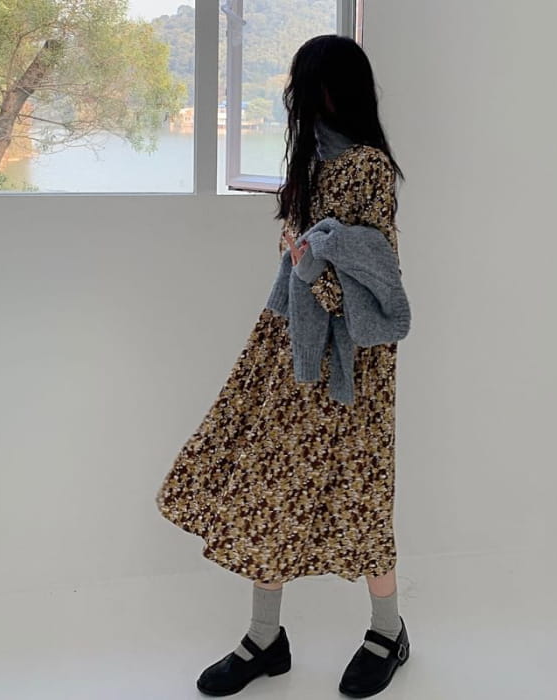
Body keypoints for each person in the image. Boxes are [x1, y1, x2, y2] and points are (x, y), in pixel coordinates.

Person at [155, 34, 410, 698]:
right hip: (289, 345)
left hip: (354, 361)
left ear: (334, 88)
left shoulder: (367, 167)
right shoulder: (312, 160)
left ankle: (388, 632)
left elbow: (378, 287)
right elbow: (304, 254)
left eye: (304, 80)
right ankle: (265, 638)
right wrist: (301, 257)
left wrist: (310, 263)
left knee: (361, 491)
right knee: (266, 485)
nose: (294, 93)